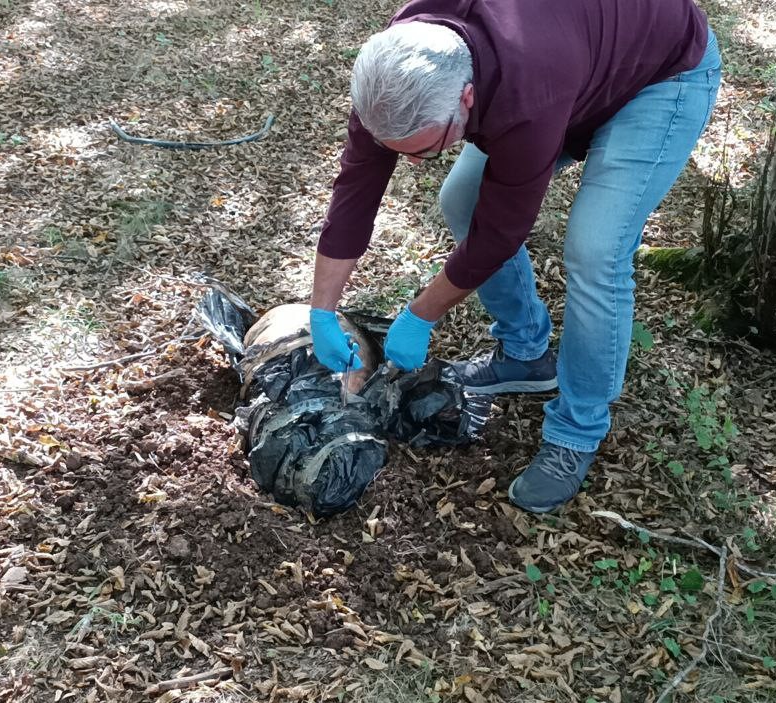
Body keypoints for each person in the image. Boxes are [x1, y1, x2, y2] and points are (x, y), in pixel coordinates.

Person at [309, 0, 722, 513]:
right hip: (576, 60)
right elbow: (355, 190)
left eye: (424, 151)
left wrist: (420, 314)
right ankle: (527, 355)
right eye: (400, 151)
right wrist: (321, 311)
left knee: (595, 250)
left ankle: (577, 430)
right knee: (459, 198)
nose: (412, 163)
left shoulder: (527, 91)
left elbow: (499, 233)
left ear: (466, 97)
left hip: (660, 76)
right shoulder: (392, 75)